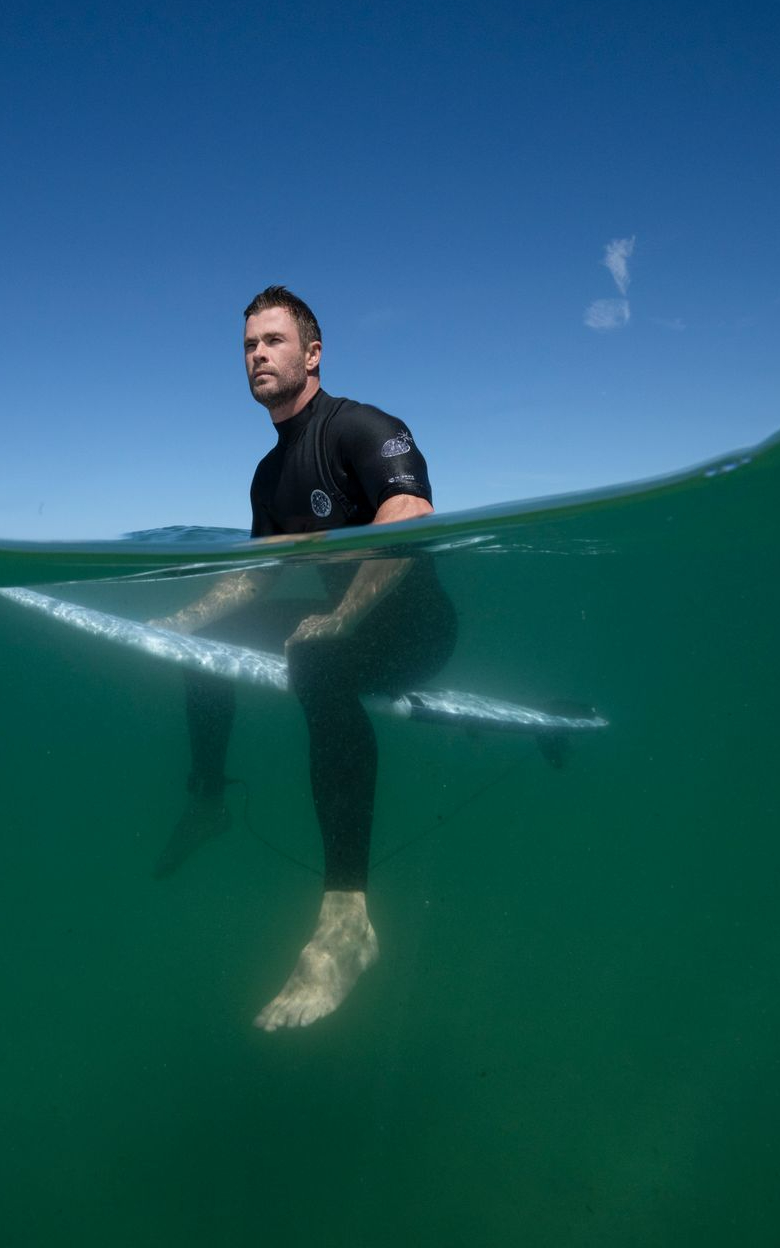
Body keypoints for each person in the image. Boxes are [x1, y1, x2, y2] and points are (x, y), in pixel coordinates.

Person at [151, 286, 457, 1031]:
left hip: (415, 633)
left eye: (273, 342)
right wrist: (179, 622)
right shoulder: (269, 472)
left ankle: (347, 916)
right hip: (344, 624)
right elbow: (258, 572)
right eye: (248, 345)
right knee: (212, 641)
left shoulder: (364, 428)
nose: (257, 355)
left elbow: (410, 515)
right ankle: (208, 800)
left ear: (311, 354)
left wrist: (344, 615)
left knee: (317, 661)